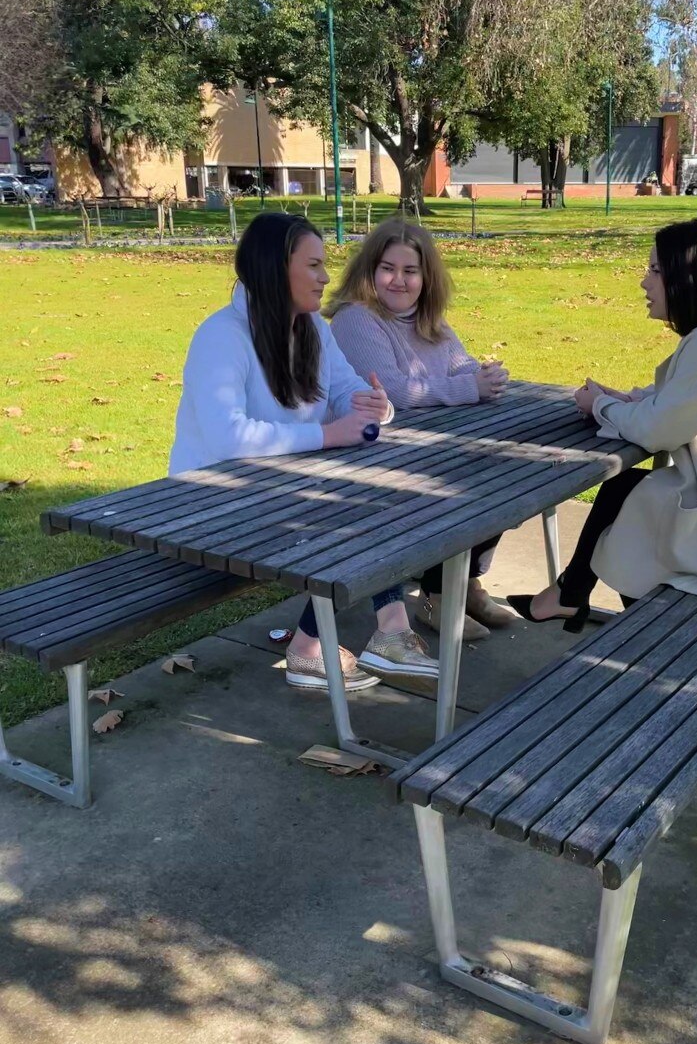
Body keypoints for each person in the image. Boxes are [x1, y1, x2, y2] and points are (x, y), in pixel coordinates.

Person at [169, 212, 440, 692]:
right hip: (206, 508)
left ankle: (357, 639)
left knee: (380, 500)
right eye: (313, 265)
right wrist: (331, 436)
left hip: (281, 491)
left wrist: (376, 408)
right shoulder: (221, 336)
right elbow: (228, 437)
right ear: (276, 268)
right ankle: (331, 644)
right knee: (354, 515)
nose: (325, 277)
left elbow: (347, 393)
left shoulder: (312, 325)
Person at [508, 219, 697, 629]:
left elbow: (659, 430)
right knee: (626, 492)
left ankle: (639, 631)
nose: (644, 283)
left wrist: (603, 407)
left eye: (654, 271)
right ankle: (573, 594)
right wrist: (625, 400)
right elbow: (684, 400)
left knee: (637, 509)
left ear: (687, 278)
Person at [328, 217, 514, 641]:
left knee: (505, 476)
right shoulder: (356, 318)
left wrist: (484, 375)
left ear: (426, 276)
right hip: (373, 456)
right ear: (369, 271)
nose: (399, 280)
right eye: (388, 269)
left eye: (410, 271)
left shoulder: (430, 319)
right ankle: (436, 594)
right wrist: (469, 387)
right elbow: (392, 390)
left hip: (430, 444)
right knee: (461, 486)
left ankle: (464, 582)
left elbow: (457, 364)